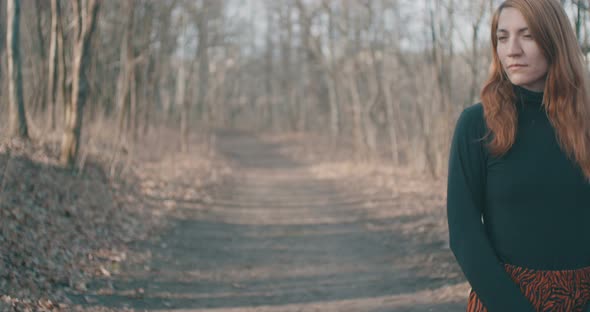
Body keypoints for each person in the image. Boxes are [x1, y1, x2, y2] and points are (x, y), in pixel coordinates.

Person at [446, 0, 590, 311]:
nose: (512, 50)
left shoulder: (586, 123)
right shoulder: (477, 124)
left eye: (527, 36)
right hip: (504, 299)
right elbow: (464, 233)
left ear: (554, 41)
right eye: (502, 37)